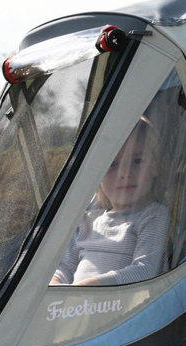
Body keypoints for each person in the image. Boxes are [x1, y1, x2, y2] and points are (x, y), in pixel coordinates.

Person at [50, 116, 169, 286]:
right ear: (97, 175)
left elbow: (145, 270)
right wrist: (55, 284)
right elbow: (65, 267)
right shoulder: (86, 220)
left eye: (137, 161)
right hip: (73, 306)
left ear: (155, 166)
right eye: (112, 164)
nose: (124, 174)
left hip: (116, 307)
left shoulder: (153, 215)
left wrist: (86, 288)